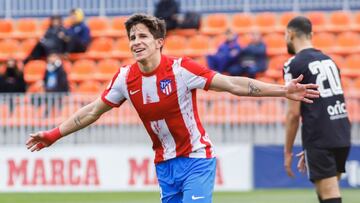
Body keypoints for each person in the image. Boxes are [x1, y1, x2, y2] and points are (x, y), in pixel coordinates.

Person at [26, 14, 319, 203]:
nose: (136, 42)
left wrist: (284, 90)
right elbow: (91, 111)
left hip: (196, 159)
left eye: (142, 36)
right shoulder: (125, 78)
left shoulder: (181, 70)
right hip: (164, 166)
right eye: (132, 38)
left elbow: (234, 84)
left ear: (159, 42)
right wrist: (53, 134)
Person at [283, 16, 351, 203]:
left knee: (329, 195)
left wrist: (287, 152)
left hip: (320, 136)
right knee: (326, 192)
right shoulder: (329, 60)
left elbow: (293, 114)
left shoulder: (293, 64)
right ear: (311, 35)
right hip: (342, 132)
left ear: (290, 34)